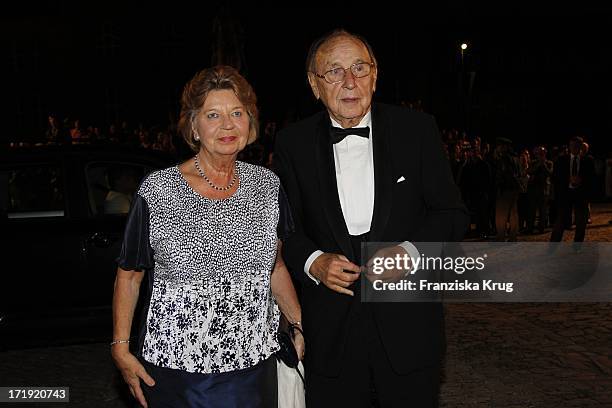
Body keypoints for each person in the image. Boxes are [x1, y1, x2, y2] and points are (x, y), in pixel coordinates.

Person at [274, 29, 468, 407]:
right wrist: (314, 262)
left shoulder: (417, 130)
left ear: (375, 76)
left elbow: (452, 214)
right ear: (314, 85)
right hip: (330, 332)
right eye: (334, 71)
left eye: (360, 68)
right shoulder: (291, 143)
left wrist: (410, 252)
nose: (350, 81)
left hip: (409, 328)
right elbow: (286, 229)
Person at [111, 65, 304, 408]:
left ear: (251, 123)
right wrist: (121, 348)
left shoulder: (268, 186)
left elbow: (274, 268)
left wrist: (297, 324)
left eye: (237, 113)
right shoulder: (158, 192)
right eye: (213, 115)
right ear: (193, 127)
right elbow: (129, 276)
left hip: (255, 367)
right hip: (179, 374)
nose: (228, 125)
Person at [550, 136, 594, 242]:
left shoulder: (588, 160)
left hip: (581, 195)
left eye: (576, 145)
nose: (574, 148)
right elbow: (555, 177)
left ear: (580, 147)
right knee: (560, 221)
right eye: (572, 145)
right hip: (566, 194)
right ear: (569, 146)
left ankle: (577, 246)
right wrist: (568, 179)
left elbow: (592, 177)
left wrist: (581, 180)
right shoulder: (561, 160)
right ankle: (553, 244)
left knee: (580, 223)